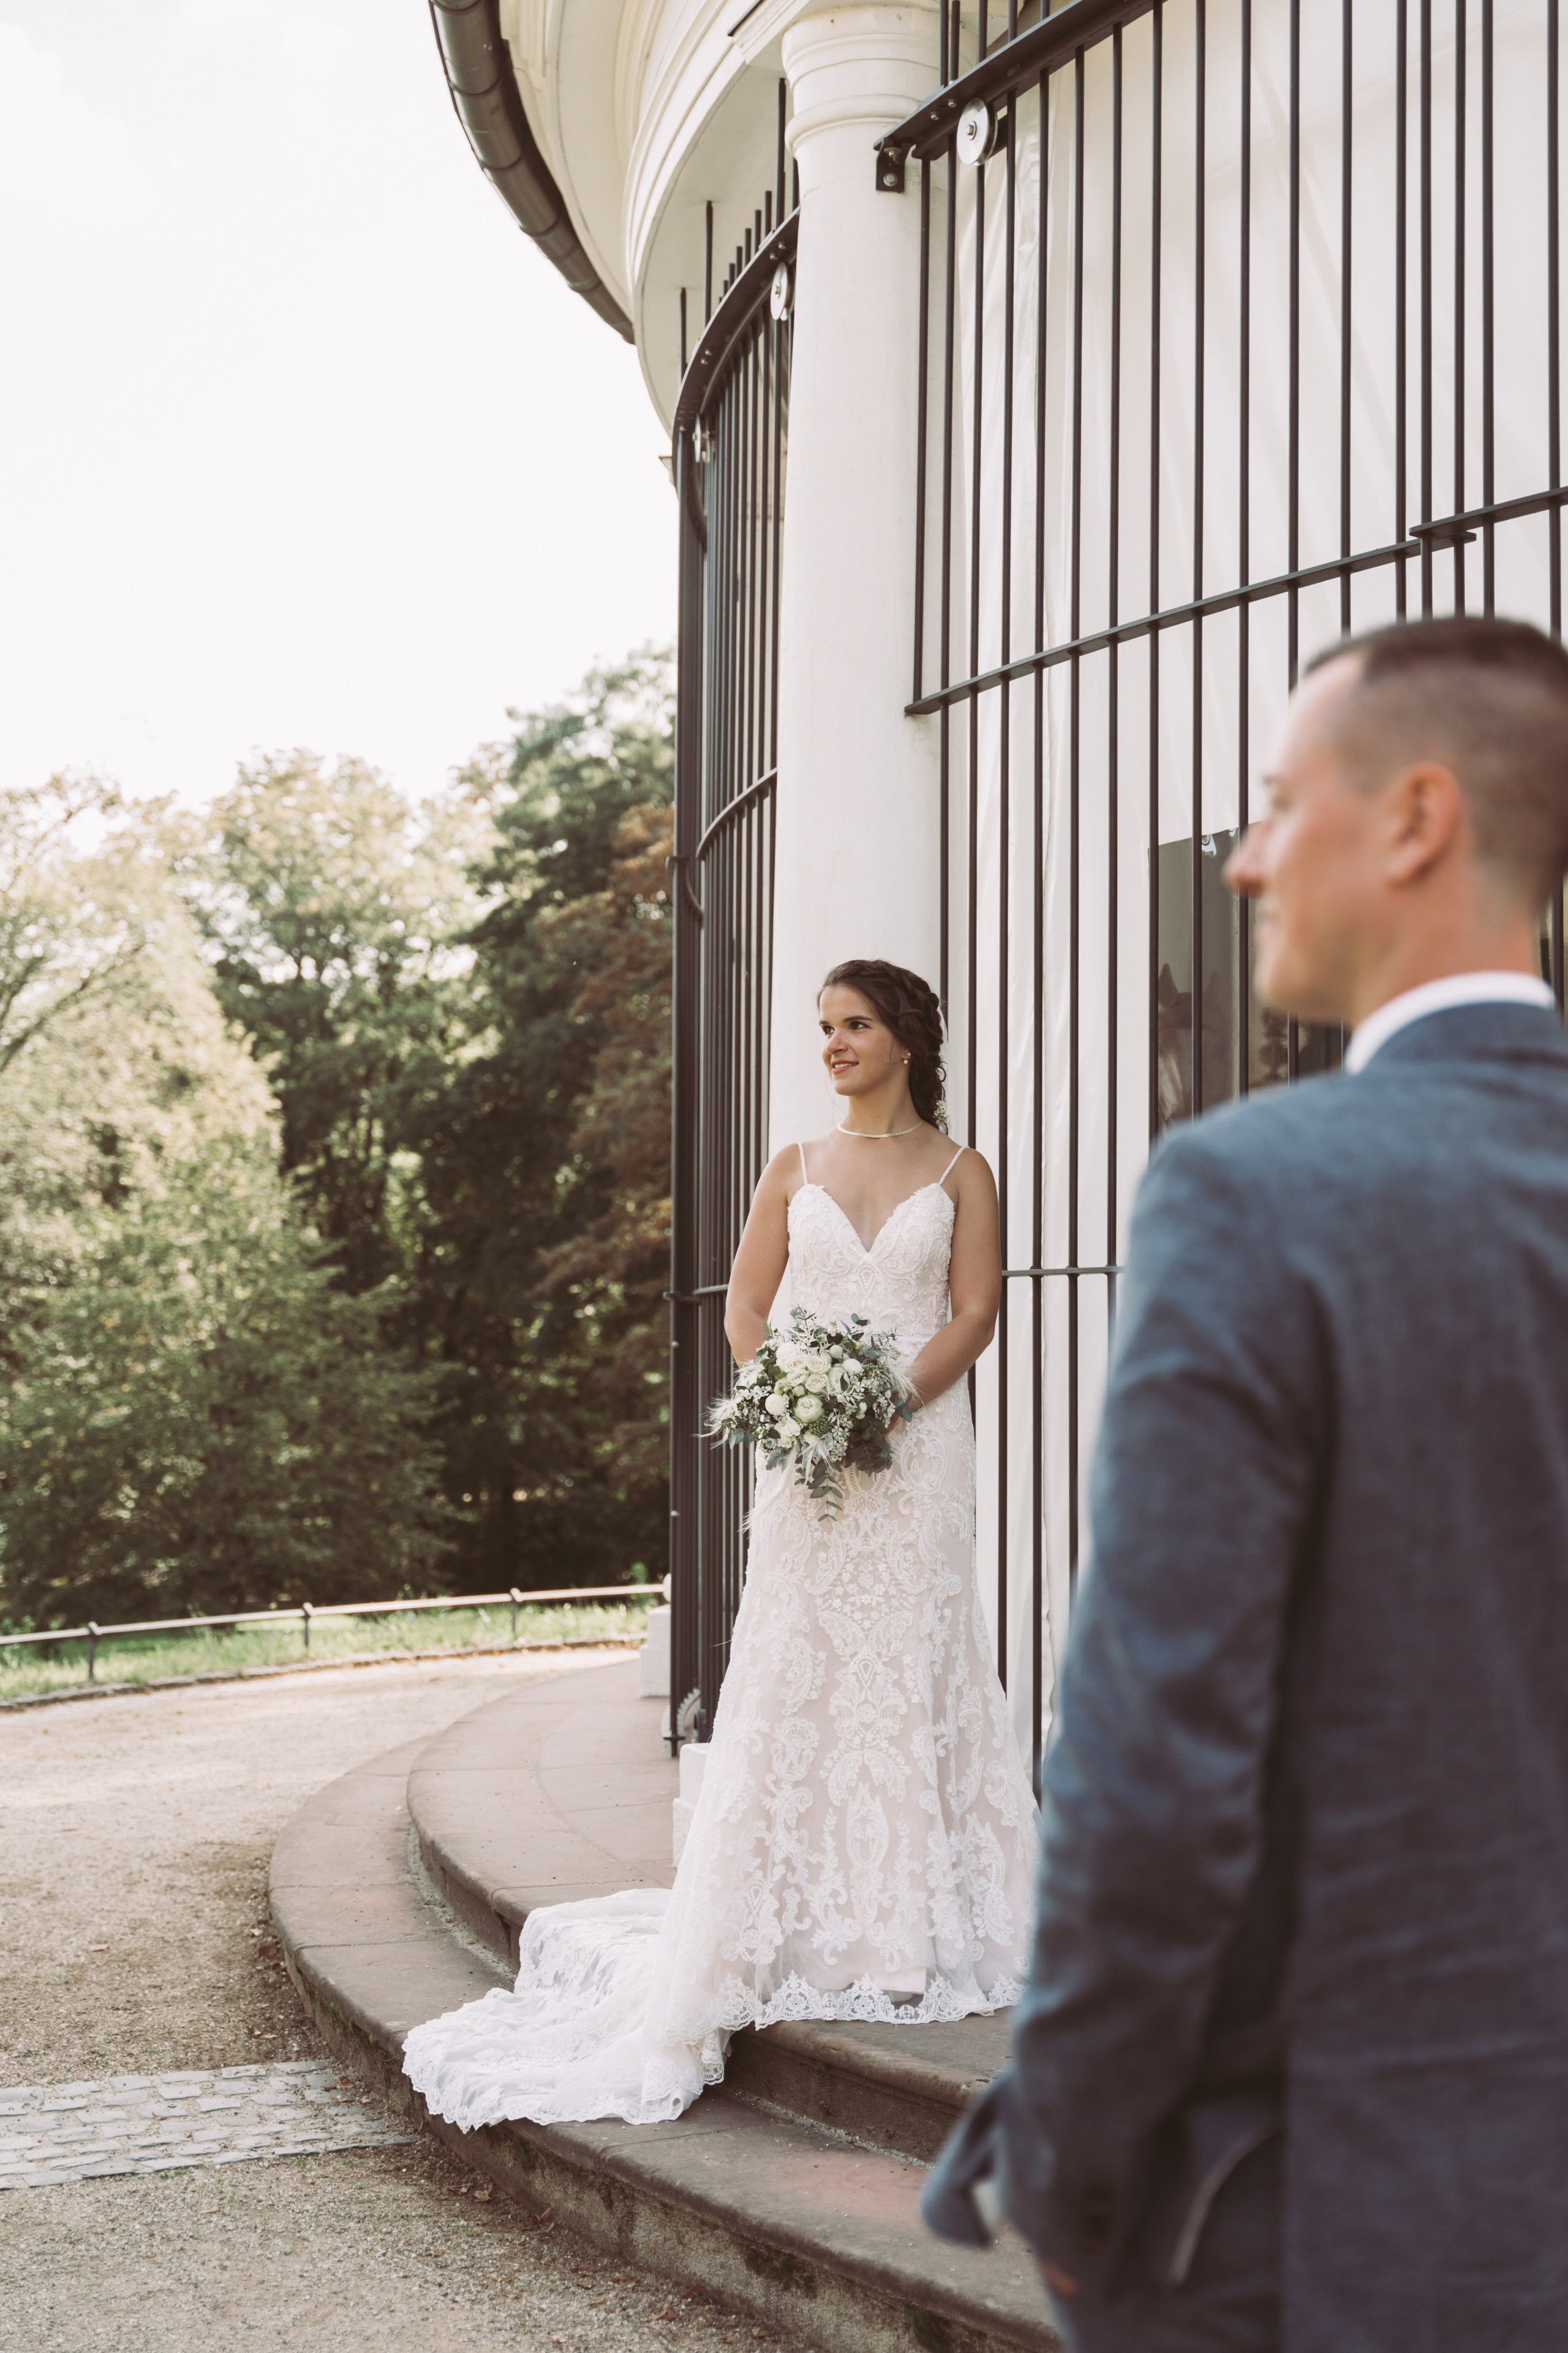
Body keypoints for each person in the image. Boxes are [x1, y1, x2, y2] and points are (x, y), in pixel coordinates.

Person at [923, 614, 1568, 2352]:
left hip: (1344, 2205)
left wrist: (1065, 2160)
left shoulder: (1254, 1194)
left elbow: (1155, 1758)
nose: (1244, 852)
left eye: (1281, 801)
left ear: (1418, 818)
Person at [403, 957, 1038, 2131]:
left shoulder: (961, 1170)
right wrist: (789, 1395)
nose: (834, 1044)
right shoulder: (792, 1164)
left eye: (854, 1025)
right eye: (824, 1027)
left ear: (905, 1036)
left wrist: (884, 1402)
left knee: (912, 1658)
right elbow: (746, 1306)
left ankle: (910, 1928)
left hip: (917, 1453)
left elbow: (975, 1311)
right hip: (807, 1465)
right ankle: (784, 1916)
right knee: (799, 1662)